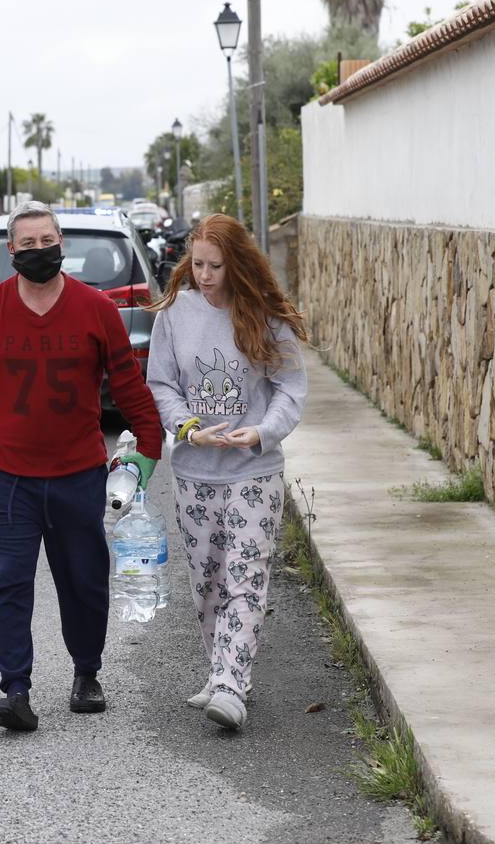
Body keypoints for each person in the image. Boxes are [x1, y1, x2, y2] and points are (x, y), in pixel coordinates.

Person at [0, 202, 162, 733]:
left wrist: (148, 450)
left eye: (47, 241)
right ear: (10, 251)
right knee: (10, 583)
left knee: (83, 583)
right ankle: (15, 690)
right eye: (28, 244)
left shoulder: (96, 310)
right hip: (7, 479)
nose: (39, 251)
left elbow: (128, 385)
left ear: (61, 243)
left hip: (78, 475)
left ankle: (87, 674)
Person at [145, 213, 308, 731]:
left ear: (235, 263)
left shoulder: (264, 315)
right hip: (194, 470)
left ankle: (232, 686)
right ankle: (221, 672)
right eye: (197, 264)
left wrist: (262, 431)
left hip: (254, 471)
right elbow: (162, 384)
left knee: (245, 577)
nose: (206, 275)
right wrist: (187, 426)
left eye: (216, 265)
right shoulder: (175, 314)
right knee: (207, 582)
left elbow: (290, 388)